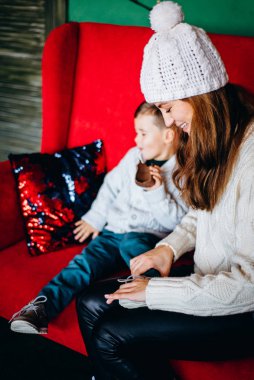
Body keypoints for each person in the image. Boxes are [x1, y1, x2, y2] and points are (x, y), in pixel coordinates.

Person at [76, 2, 254, 380]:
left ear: (200, 95)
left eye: (168, 108)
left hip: (242, 309)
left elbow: (250, 287)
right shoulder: (216, 138)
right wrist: (168, 248)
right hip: (209, 283)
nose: (168, 121)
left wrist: (154, 293)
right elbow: (202, 210)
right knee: (90, 301)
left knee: (110, 335)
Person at [9, 101, 188, 335]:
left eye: (143, 134)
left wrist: (156, 192)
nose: (136, 140)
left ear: (168, 135)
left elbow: (176, 223)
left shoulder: (183, 171)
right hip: (112, 232)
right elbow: (110, 187)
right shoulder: (135, 156)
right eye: (136, 133)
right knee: (82, 265)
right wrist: (95, 217)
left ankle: (154, 301)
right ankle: (41, 308)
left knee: (138, 250)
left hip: (148, 237)